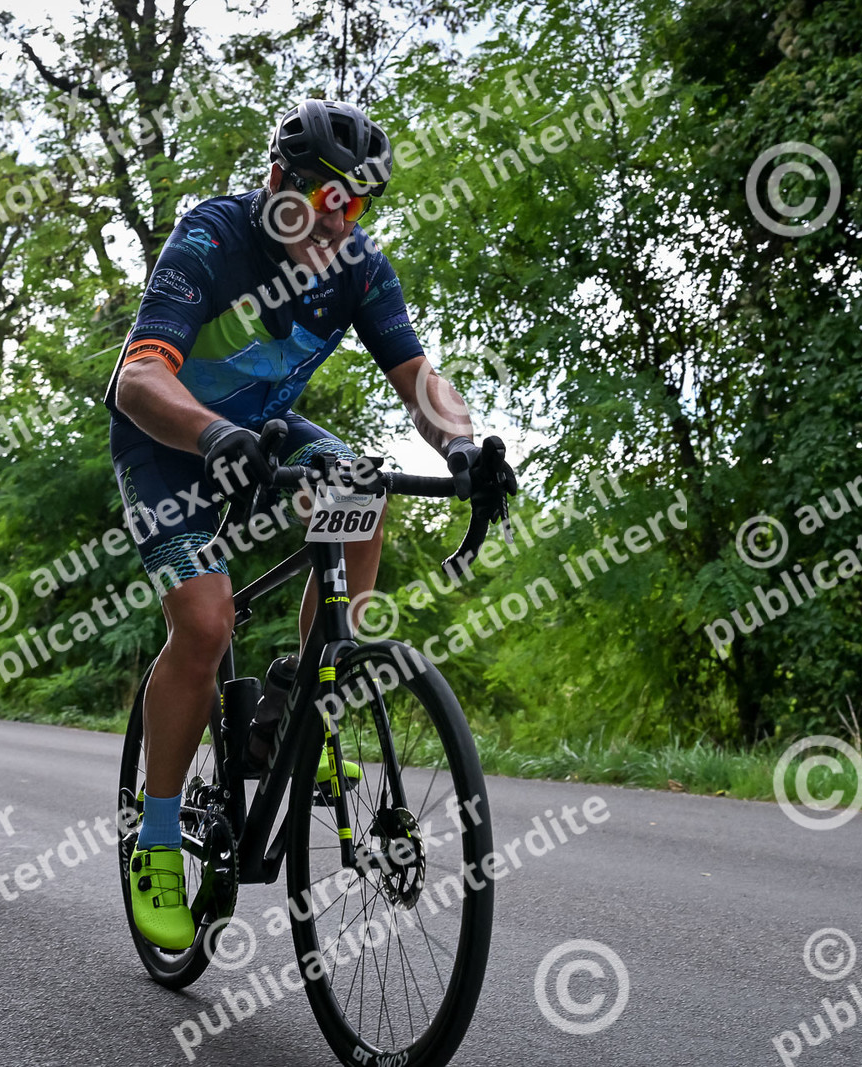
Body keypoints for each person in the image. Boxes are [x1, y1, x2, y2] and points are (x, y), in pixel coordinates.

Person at [105, 99, 515, 950]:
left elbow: (418, 377)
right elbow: (137, 378)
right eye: (324, 198)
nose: (337, 221)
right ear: (277, 181)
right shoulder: (213, 237)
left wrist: (463, 446)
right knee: (206, 622)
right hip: (169, 442)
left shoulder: (358, 268)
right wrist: (209, 435)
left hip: (264, 432)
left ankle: (303, 696)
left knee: (362, 493)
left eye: (353, 204)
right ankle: (156, 836)